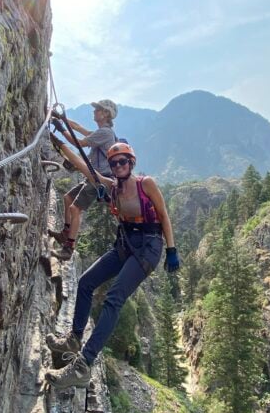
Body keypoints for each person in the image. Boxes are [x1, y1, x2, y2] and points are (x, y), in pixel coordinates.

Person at [44, 138, 181, 389]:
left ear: (131, 162)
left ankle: (83, 365)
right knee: (85, 282)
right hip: (125, 243)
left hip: (148, 247)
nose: (118, 166)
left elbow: (163, 215)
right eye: (114, 163)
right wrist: (60, 141)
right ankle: (74, 339)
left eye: (123, 161)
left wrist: (171, 249)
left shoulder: (146, 184)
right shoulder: (111, 187)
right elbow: (84, 166)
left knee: (114, 298)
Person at [48, 99, 118, 261]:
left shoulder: (105, 133)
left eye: (98, 109)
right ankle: (65, 233)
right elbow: (78, 127)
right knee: (68, 198)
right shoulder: (102, 132)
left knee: (75, 208)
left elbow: (78, 142)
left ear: (106, 114)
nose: (94, 111)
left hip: (99, 179)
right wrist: (61, 117)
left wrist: (61, 129)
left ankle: (69, 248)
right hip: (93, 177)